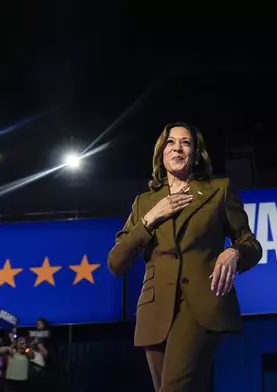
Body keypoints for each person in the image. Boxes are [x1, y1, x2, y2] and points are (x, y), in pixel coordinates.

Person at [108, 122, 262, 392]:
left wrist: (234, 252)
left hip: (200, 304)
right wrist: (149, 220)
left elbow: (250, 242)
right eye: (170, 142)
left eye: (186, 142)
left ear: (196, 153)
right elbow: (116, 263)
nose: (177, 147)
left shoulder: (218, 190)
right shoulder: (145, 202)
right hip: (155, 311)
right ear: (161, 153)